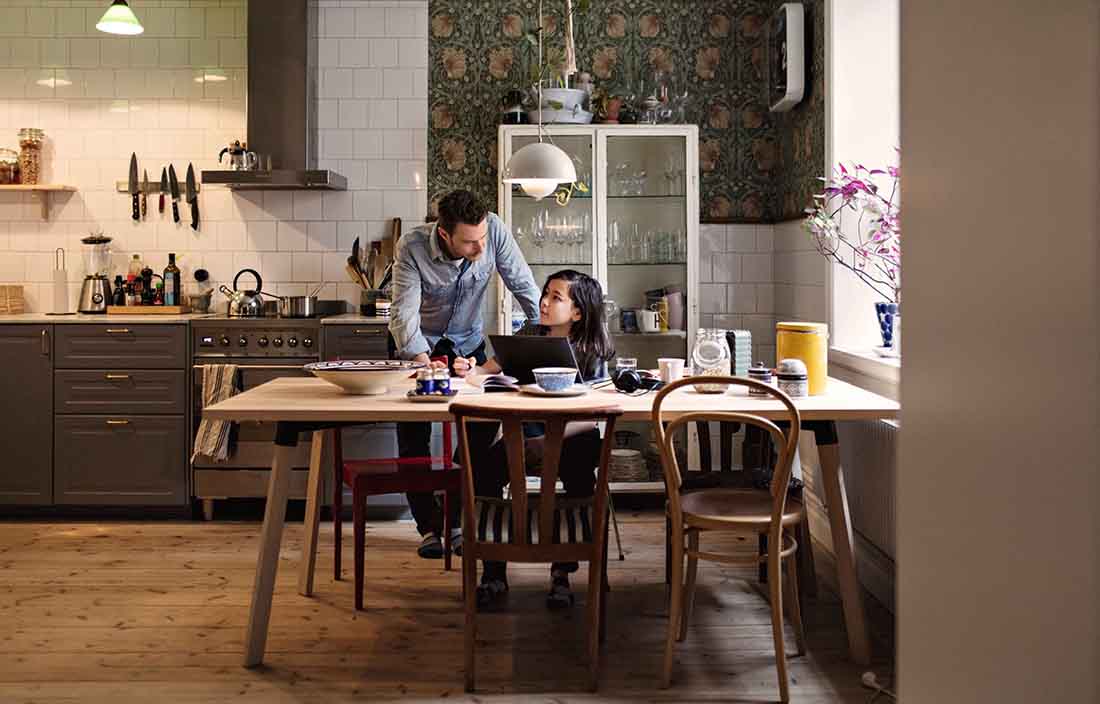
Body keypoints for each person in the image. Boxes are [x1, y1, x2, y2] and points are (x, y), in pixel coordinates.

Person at [389, 190, 541, 559]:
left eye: (482, 239)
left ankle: (456, 519)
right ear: (444, 234)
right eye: (469, 242)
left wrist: (546, 333)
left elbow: (523, 285)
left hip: (468, 345)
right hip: (418, 345)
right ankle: (427, 526)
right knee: (414, 437)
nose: (479, 248)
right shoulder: (411, 247)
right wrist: (424, 363)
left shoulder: (495, 232)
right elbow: (404, 314)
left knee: (479, 432)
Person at [453, 269, 615, 610]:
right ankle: (493, 571)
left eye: (556, 297)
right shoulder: (528, 333)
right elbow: (487, 369)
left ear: (577, 312)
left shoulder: (592, 348)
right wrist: (471, 368)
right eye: (546, 293)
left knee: (582, 468)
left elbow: (599, 413)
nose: (543, 301)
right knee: (483, 466)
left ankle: (562, 572)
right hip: (521, 437)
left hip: (571, 436)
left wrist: (548, 441)